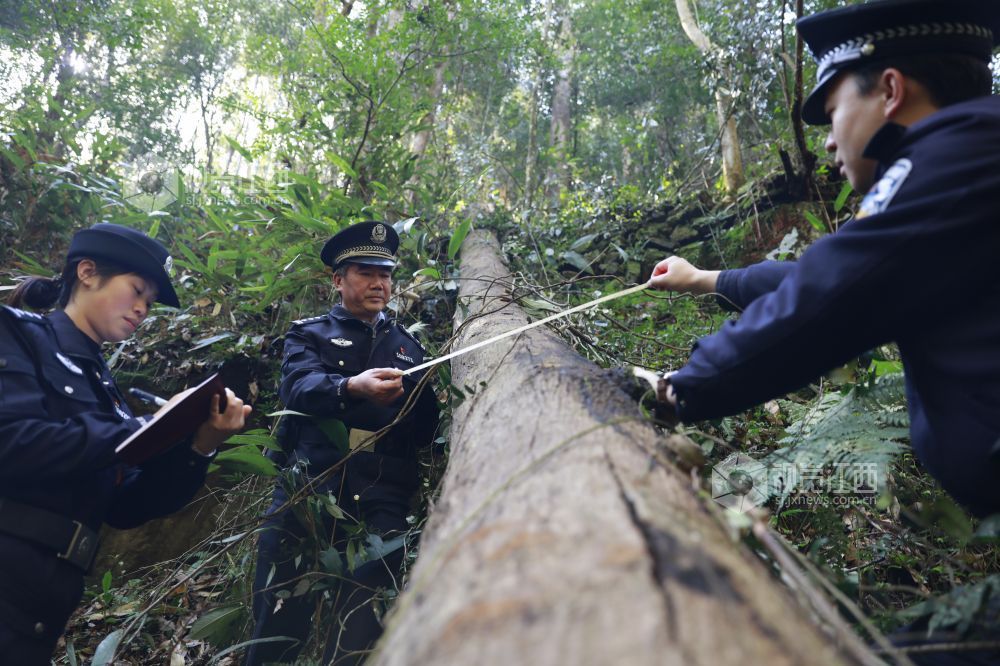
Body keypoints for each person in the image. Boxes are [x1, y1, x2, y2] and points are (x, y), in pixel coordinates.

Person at [651, 1, 1000, 662]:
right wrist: (705, 280)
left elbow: (837, 291)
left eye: (834, 111)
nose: (829, 142)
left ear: (892, 91)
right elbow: (840, 275)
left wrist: (675, 391)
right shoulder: (972, 159)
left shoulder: (961, 151)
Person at [0, 222, 252, 663]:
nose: (142, 309)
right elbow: (12, 443)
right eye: (136, 290)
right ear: (87, 272)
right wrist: (145, 423)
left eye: (149, 303)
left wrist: (201, 444)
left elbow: (126, 507)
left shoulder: (107, 391)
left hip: (43, 605)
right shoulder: (18, 335)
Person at [247, 221, 439, 666]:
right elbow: (299, 388)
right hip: (309, 488)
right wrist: (351, 386)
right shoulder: (307, 334)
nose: (379, 283)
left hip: (381, 495)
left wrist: (423, 393)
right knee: (276, 626)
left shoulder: (410, 348)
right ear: (338, 280)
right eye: (365, 272)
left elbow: (424, 431)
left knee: (360, 626)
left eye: (386, 274)